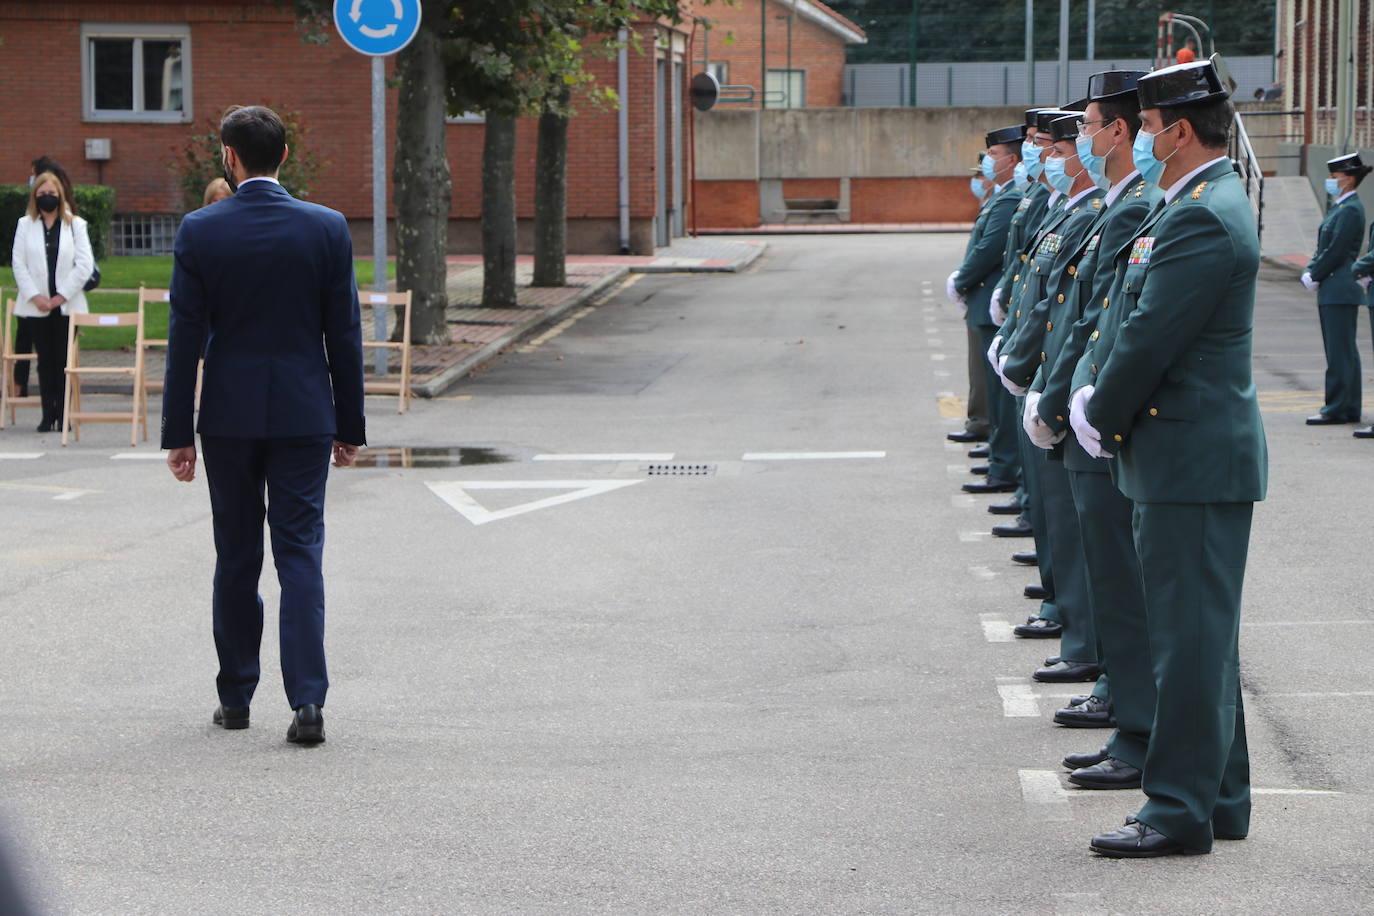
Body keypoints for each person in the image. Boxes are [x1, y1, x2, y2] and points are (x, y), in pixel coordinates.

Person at [1071, 59, 1266, 858]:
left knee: (1186, 640)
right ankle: (1220, 794)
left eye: (1148, 128)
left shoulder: (1201, 215)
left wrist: (1098, 414)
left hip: (1188, 458)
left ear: (1179, 131)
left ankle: (1177, 808)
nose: (1142, 139)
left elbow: (1150, 336)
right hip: (1189, 456)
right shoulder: (1199, 202)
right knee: (1202, 638)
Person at [161, 105, 366, 745]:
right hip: (306, 413)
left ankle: (236, 696)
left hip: (228, 417)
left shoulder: (200, 230)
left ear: (229, 155)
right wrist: (350, 425)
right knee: (300, 552)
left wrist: (176, 432)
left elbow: (184, 338)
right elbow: (346, 335)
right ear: (285, 154)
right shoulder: (328, 228)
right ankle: (308, 704)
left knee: (237, 555)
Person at [1027, 71, 1161, 781]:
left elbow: (1117, 327)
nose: (1068, 143)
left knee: (1123, 582)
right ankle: (1123, 707)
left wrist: (1076, 401)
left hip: (1108, 424)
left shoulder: (1150, 207)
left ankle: (1135, 724)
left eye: (1083, 127)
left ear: (1121, 131)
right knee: (1111, 578)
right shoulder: (1124, 205)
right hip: (1086, 411)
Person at [947, 124, 1024, 491]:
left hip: (994, 303)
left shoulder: (1010, 199)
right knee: (993, 391)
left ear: (1012, 160)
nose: (986, 166)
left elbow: (991, 249)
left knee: (1000, 394)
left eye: (992, 156)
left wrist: (961, 280)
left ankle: (1004, 464)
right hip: (985, 301)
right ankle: (1000, 456)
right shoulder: (1003, 197)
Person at [10, 171, 93, 431]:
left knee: (63, 361)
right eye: (42, 194)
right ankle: (48, 414)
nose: (48, 198)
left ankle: (64, 415)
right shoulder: (25, 225)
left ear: (61, 195)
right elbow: (18, 264)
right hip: (36, 306)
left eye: (52, 194)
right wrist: (36, 297)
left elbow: (84, 265)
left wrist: (60, 297)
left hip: (67, 305)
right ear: (35, 197)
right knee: (44, 361)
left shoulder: (75, 224)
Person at [1302, 153, 1372, 426]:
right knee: (1343, 351)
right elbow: (1323, 248)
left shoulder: (1351, 209)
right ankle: (1348, 406)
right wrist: (1311, 267)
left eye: (1335, 177)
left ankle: (1337, 407)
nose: (1331, 181)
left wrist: (1315, 273)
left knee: (1340, 351)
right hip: (1334, 286)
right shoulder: (1340, 208)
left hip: (1339, 286)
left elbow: (1336, 250)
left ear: (1348, 179)